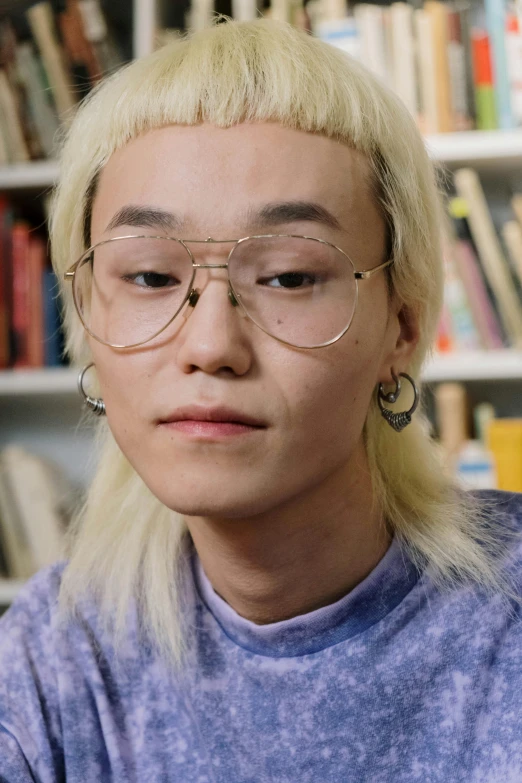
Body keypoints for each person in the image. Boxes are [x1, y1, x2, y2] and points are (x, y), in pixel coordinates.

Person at [1, 16, 522, 782]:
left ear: (402, 328)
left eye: (287, 276)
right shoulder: (51, 665)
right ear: (87, 313)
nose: (210, 344)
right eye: (149, 276)